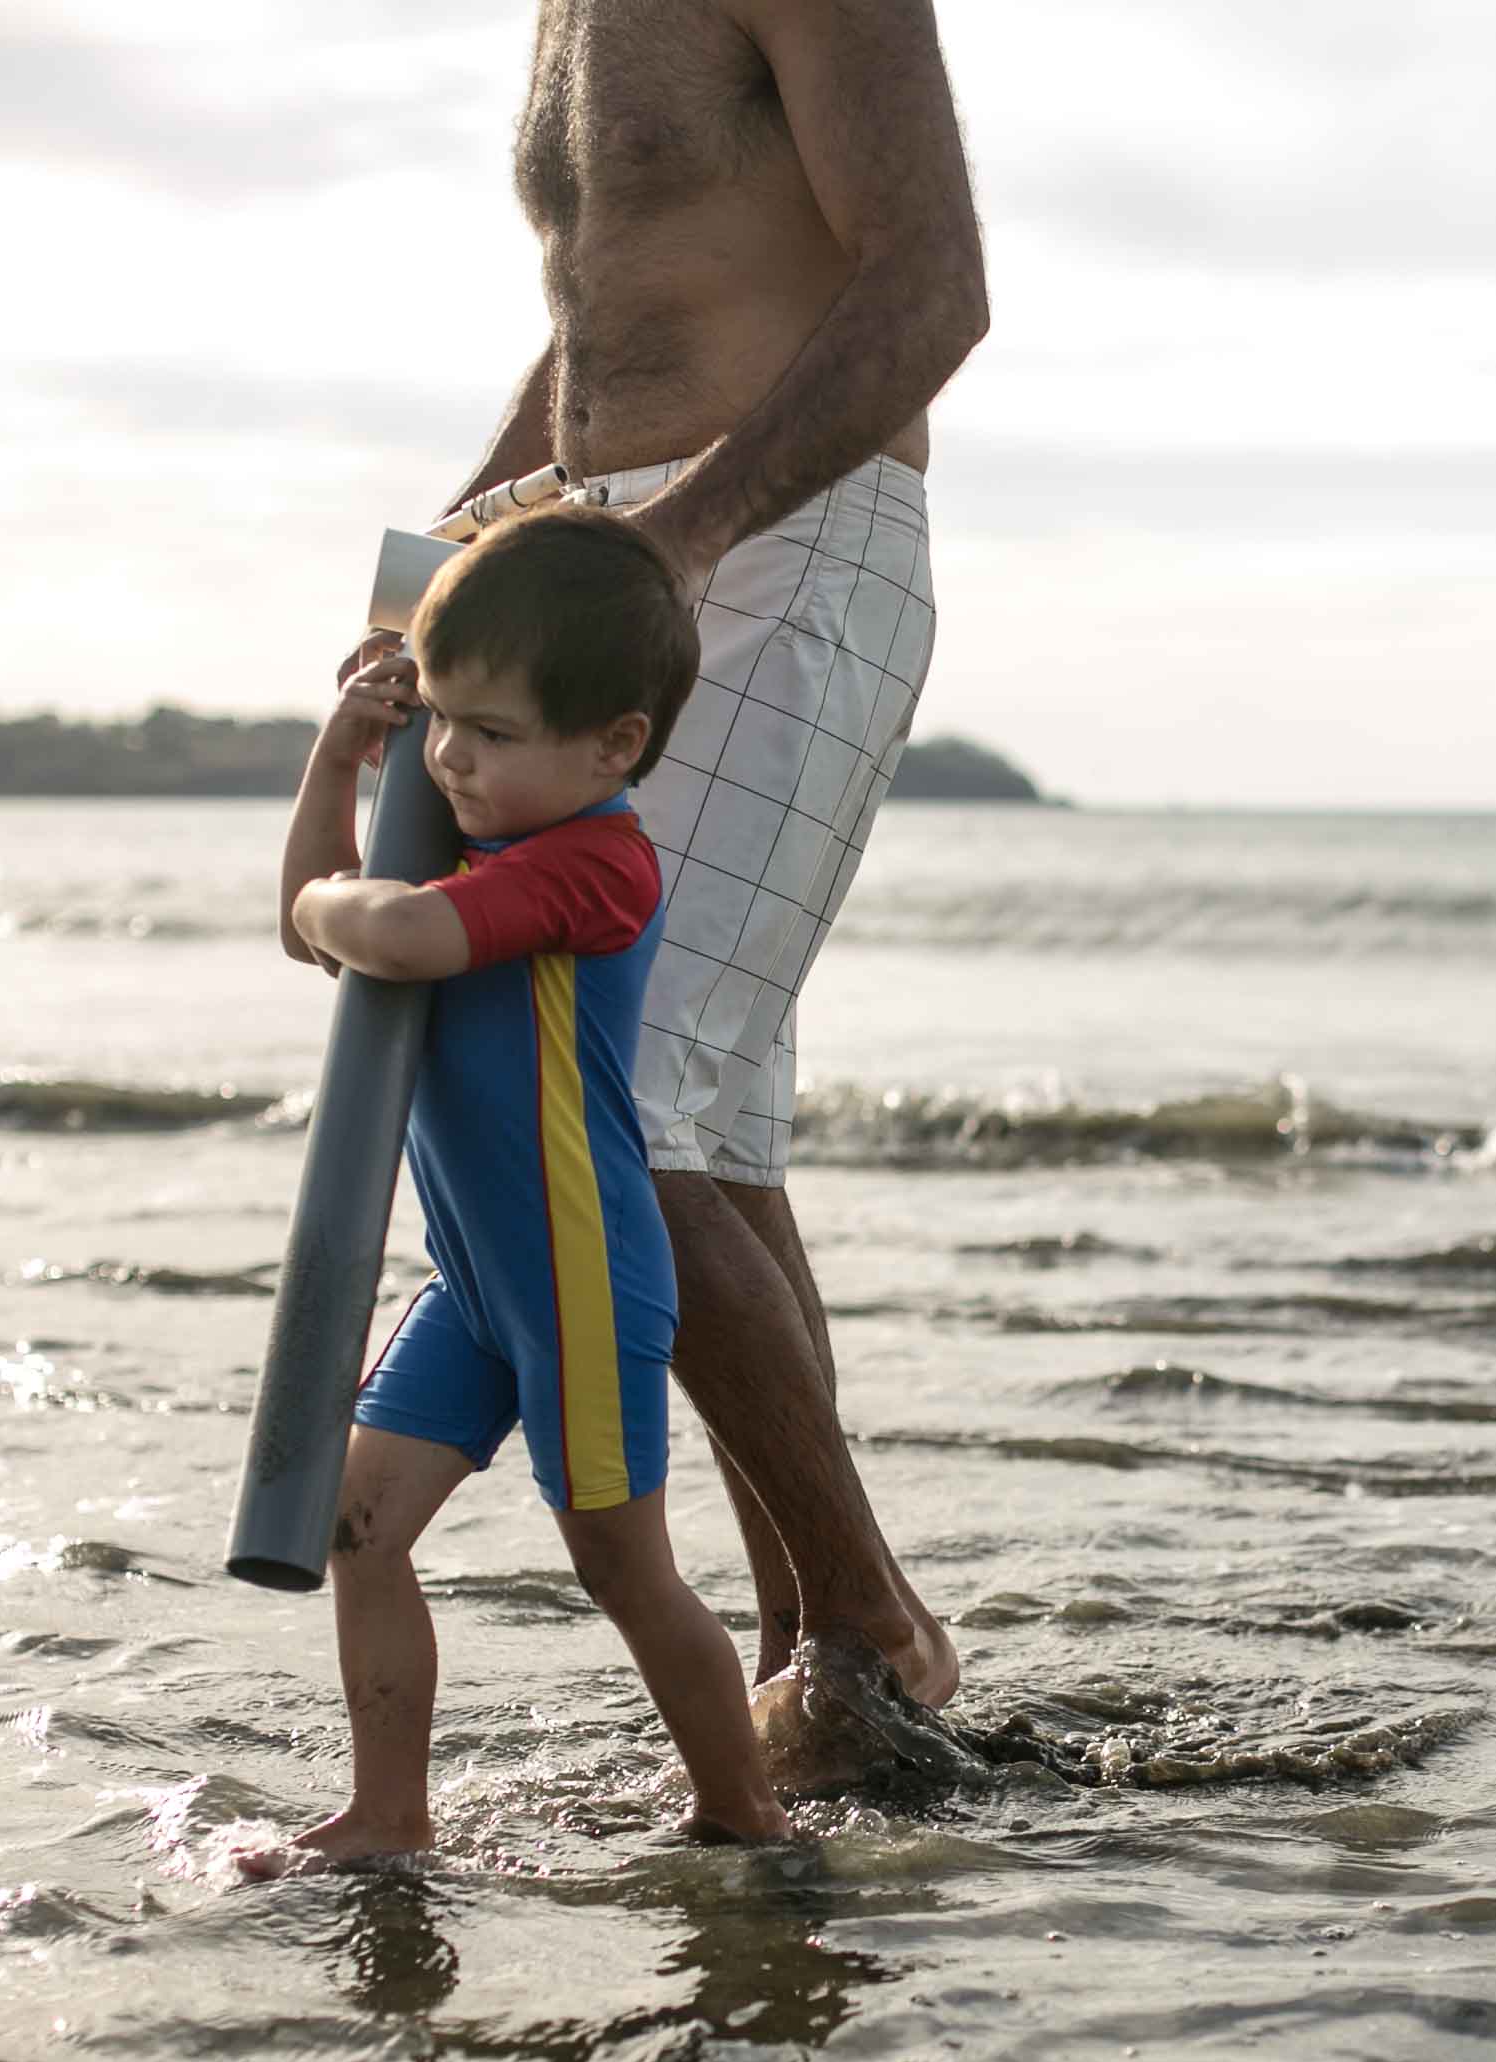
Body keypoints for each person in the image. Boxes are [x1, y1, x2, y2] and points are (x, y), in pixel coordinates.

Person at [352, 0, 988, 1783]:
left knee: (620, 1098)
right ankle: (819, 1656)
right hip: (614, 549)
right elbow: (603, 324)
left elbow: (934, 291)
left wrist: (688, 529)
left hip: (780, 532)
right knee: (709, 1119)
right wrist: (452, 566)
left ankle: (866, 1618)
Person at [246, 509, 793, 1873]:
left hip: (581, 1282)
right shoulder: (483, 839)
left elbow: (392, 933)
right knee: (357, 1529)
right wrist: (339, 755)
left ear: (613, 744)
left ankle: (747, 1816)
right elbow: (319, 922)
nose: (448, 756)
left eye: (489, 732)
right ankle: (387, 1816)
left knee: (621, 1568)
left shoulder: (596, 864)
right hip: (478, 1284)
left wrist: (328, 904)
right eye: (438, 719)